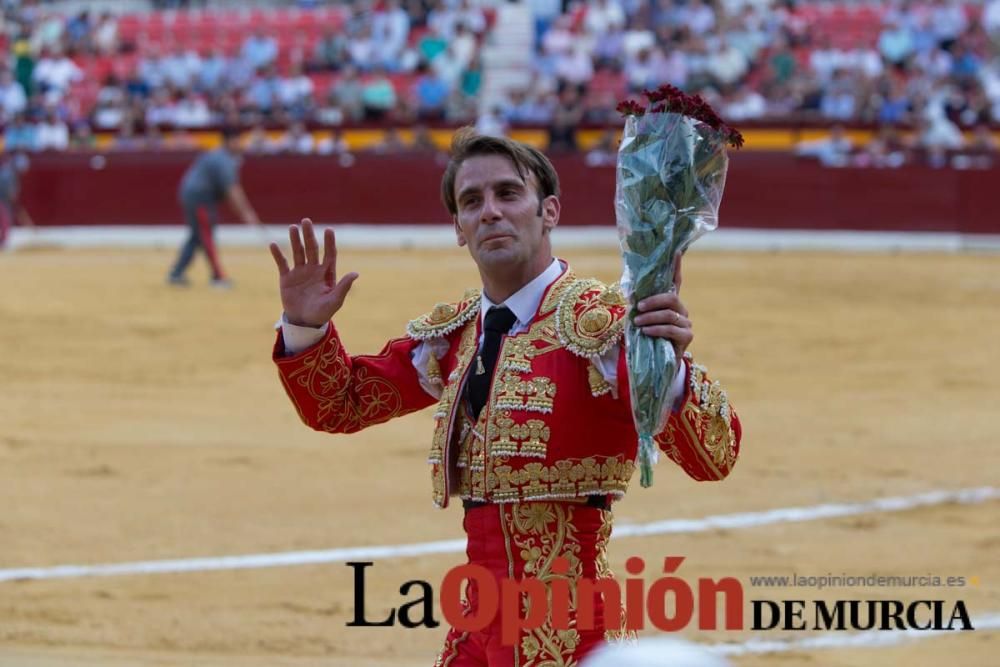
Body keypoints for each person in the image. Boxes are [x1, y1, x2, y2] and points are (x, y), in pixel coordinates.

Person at [269, 129, 742, 665]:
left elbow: (713, 456)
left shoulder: (603, 326)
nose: (490, 212)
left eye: (508, 193)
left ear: (550, 211)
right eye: (472, 201)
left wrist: (668, 368)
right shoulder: (455, 336)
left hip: (572, 635)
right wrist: (304, 326)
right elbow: (342, 403)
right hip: (476, 632)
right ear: (458, 228)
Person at [167, 127, 262, 288]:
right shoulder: (224, 160)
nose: (240, 144)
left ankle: (176, 273)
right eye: (237, 140)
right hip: (200, 198)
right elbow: (233, 190)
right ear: (229, 142)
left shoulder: (219, 156)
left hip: (193, 196)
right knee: (206, 235)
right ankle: (217, 276)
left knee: (197, 236)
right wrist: (247, 213)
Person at [0, 153, 35, 249]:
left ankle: (2, 241)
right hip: (2, 200)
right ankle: (2, 242)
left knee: (5, 220)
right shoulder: (9, 173)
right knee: (5, 220)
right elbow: (10, 192)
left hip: (3, 200)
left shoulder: (7, 170)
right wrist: (12, 198)